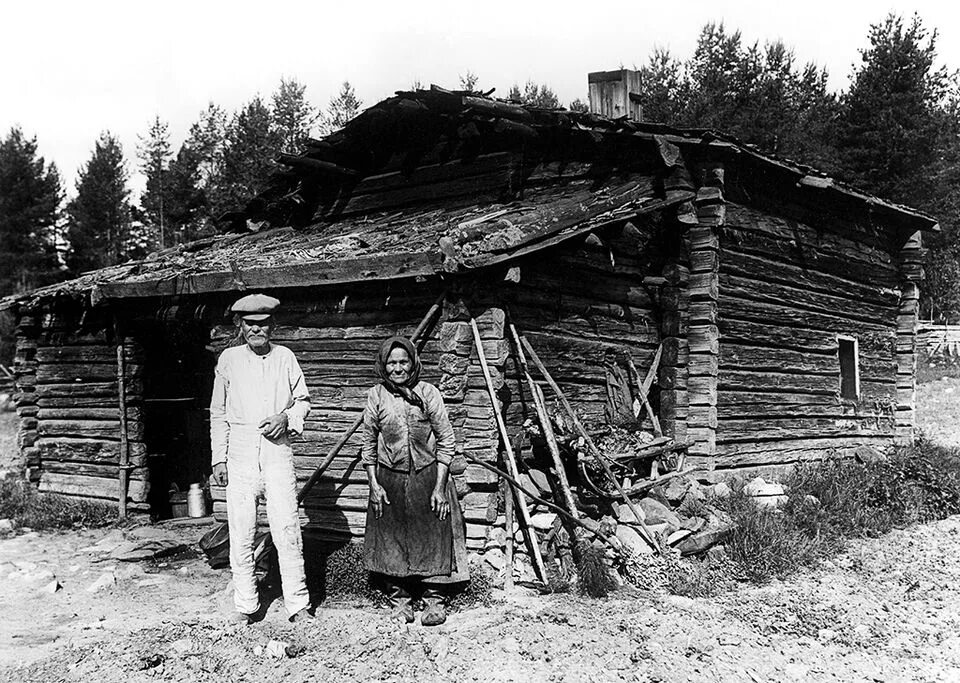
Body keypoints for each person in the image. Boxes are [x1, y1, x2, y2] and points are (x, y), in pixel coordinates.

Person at [209, 293, 312, 624]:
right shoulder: (228, 360)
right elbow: (218, 412)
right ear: (240, 325)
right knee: (241, 529)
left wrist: (286, 417)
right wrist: (218, 459)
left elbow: (303, 401)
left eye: (263, 324)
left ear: (273, 326)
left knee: (286, 527)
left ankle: (298, 605)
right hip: (239, 451)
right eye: (250, 324)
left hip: (277, 450)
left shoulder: (285, 357)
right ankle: (246, 605)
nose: (257, 330)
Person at [362, 336, 469, 625]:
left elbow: (447, 439)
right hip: (390, 478)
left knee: (432, 534)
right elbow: (368, 444)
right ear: (384, 366)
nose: (398, 368)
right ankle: (400, 599)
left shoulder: (428, 393)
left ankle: (434, 598)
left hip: (428, 476)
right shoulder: (377, 395)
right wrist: (374, 484)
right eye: (392, 363)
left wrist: (439, 487)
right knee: (392, 537)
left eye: (403, 362)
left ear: (413, 364)